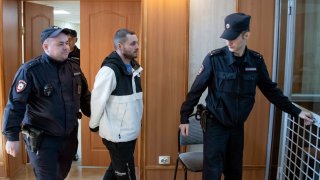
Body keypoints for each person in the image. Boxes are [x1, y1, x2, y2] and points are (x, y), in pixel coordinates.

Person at [179, 13, 313, 180]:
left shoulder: (255, 61)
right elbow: (196, 90)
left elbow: (271, 91)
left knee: (234, 172)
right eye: (226, 37)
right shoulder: (214, 58)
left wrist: (296, 112)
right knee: (212, 172)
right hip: (215, 125)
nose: (229, 42)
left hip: (237, 127)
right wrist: (184, 117)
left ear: (246, 35)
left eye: (233, 38)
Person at [2, 26, 91, 180]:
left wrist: (97, 120)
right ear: (46, 47)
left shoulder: (74, 68)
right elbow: (15, 105)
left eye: (67, 43)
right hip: (42, 139)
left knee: (61, 174)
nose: (66, 47)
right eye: (60, 44)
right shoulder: (30, 71)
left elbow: (85, 97)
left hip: (69, 136)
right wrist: (11, 137)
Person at [89, 28, 142, 180]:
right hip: (118, 136)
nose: (137, 47)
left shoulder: (134, 68)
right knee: (126, 174)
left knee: (115, 170)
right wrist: (94, 124)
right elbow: (97, 100)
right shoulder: (109, 71)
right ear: (120, 46)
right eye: (132, 44)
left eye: (137, 43)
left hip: (130, 131)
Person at [65, 28, 81, 161]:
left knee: (73, 125)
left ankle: (73, 152)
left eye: (71, 39)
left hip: (76, 93)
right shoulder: (58, 54)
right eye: (66, 39)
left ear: (76, 40)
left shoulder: (81, 54)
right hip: (61, 95)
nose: (68, 42)